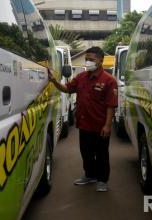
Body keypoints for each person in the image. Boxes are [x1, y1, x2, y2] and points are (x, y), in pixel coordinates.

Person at [48, 47, 118, 192]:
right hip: (84, 124)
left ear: (100, 60)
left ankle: (102, 180)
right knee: (86, 153)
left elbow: (111, 105)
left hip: (100, 126)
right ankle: (90, 175)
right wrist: (54, 81)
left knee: (102, 155)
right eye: (87, 59)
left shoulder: (109, 80)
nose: (88, 62)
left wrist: (108, 125)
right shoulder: (81, 77)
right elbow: (67, 88)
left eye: (91, 59)